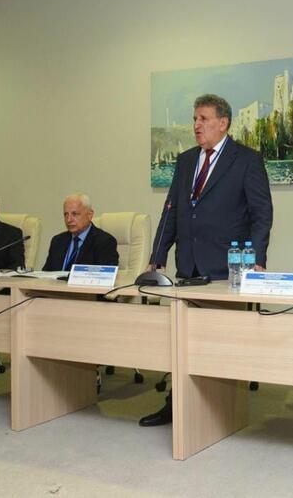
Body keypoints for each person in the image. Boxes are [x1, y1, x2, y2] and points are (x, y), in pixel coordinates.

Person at [139, 93, 273, 426]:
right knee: (180, 339)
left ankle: (217, 408)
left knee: (219, 341)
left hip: (228, 266)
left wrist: (256, 258)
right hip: (188, 264)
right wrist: (157, 256)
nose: (196, 125)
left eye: (203, 119)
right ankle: (176, 404)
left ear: (223, 123)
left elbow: (262, 213)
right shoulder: (186, 161)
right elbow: (171, 211)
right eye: (194, 119)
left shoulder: (246, 159)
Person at [42, 193, 118, 271]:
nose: (69, 220)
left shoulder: (105, 242)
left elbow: (104, 275)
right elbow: (46, 273)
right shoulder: (58, 241)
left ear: (89, 215)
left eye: (74, 214)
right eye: (66, 214)